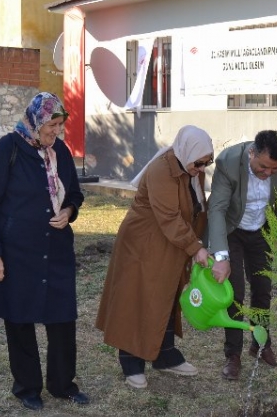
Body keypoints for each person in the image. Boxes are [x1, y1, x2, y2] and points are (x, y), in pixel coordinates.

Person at [0, 92, 88, 411]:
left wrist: (68, 211)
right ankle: (27, 387)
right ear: (36, 121)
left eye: (59, 125)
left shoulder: (61, 152)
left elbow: (76, 194)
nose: (56, 131)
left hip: (56, 251)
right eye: (51, 125)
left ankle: (63, 384)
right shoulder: (7, 150)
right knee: (20, 319)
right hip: (17, 252)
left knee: (62, 319)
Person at [96, 125, 213, 390]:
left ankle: (164, 355)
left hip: (170, 244)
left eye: (208, 161)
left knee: (168, 296)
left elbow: (197, 209)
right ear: (187, 153)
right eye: (200, 162)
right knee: (137, 298)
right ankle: (131, 363)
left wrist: (197, 244)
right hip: (142, 244)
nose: (203, 167)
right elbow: (169, 216)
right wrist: (195, 247)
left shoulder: (191, 169)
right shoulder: (162, 169)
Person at [207, 130, 277, 381]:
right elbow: (218, 209)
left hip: (261, 230)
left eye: (272, 170)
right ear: (252, 153)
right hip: (233, 230)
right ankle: (233, 355)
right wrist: (221, 257)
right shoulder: (228, 162)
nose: (267, 173)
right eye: (263, 167)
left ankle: (260, 344)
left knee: (263, 288)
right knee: (235, 294)